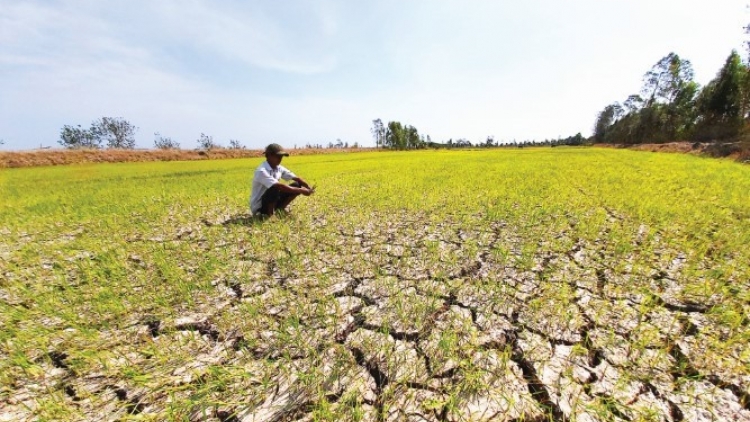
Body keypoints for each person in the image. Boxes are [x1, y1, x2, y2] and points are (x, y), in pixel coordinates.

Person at [250, 143, 314, 217]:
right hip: (260, 206)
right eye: (278, 156)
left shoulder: (278, 168)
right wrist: (301, 190)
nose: (280, 159)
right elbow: (280, 186)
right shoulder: (261, 171)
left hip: (272, 199)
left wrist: (308, 187)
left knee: (297, 184)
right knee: (275, 187)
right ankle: (269, 215)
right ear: (269, 155)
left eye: (281, 157)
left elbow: (297, 178)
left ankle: (280, 209)